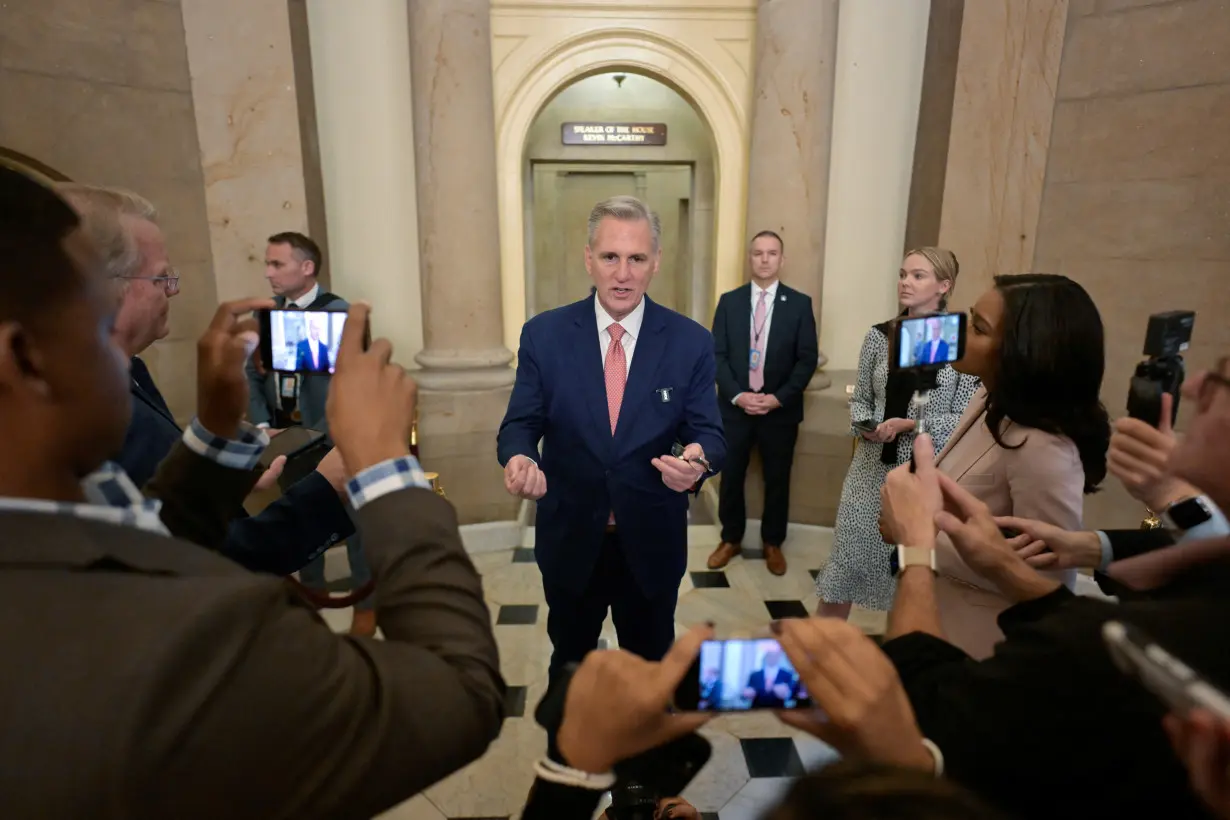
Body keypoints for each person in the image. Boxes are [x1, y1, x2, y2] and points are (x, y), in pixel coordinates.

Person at [0, 167, 504, 818]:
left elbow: (148, 547)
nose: (125, 359)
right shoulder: (197, 641)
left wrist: (212, 431)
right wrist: (383, 468)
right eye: (100, 323)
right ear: (26, 360)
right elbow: (459, 695)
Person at [57, 183, 358, 578]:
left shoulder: (130, 371)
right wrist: (328, 485)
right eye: (162, 279)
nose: (174, 291)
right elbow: (202, 559)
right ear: (105, 287)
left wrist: (218, 475)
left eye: (277, 265)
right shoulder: (87, 404)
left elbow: (164, 519)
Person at [497, 195, 725, 680]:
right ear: (589, 259)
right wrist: (520, 458)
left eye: (637, 258)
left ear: (656, 262)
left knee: (650, 668)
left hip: (651, 540)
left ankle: (642, 755)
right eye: (610, 257)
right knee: (571, 665)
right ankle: (565, 754)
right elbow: (521, 423)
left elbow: (707, 432)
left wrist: (697, 461)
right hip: (571, 537)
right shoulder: (545, 335)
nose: (623, 274)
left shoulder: (691, 342)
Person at [886, 274, 1110, 658]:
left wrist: (915, 533)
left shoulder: (1044, 447)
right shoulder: (988, 395)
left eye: (978, 328)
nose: (960, 335)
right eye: (970, 319)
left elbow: (1044, 576)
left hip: (982, 639)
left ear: (1022, 352)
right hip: (939, 609)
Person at [817, 248, 978, 618]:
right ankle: (817, 658)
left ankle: (899, 664)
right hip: (868, 471)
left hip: (922, 474)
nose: (905, 282)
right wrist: (867, 426)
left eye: (918, 276)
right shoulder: (879, 336)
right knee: (844, 565)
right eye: (903, 274)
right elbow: (860, 401)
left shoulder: (959, 343)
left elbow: (965, 419)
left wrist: (911, 425)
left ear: (944, 285)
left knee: (908, 575)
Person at [247, 230, 375, 635]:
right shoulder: (268, 315)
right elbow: (252, 373)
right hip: (285, 436)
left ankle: (366, 607)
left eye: (276, 264)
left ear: (307, 268)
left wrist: (325, 431)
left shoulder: (339, 314)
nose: (268, 273)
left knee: (353, 522)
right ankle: (310, 603)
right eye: (266, 264)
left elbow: (356, 379)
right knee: (298, 517)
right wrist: (263, 421)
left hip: (333, 439)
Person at [708, 230, 819, 575]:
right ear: (750, 258)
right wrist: (739, 396)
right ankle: (731, 538)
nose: (765, 259)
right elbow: (717, 355)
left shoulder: (799, 304)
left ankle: (773, 542)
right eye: (758, 253)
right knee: (731, 478)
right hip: (735, 410)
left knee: (777, 478)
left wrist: (777, 398)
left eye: (772, 253)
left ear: (781, 260)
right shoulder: (730, 301)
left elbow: (807, 359)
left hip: (779, 412)